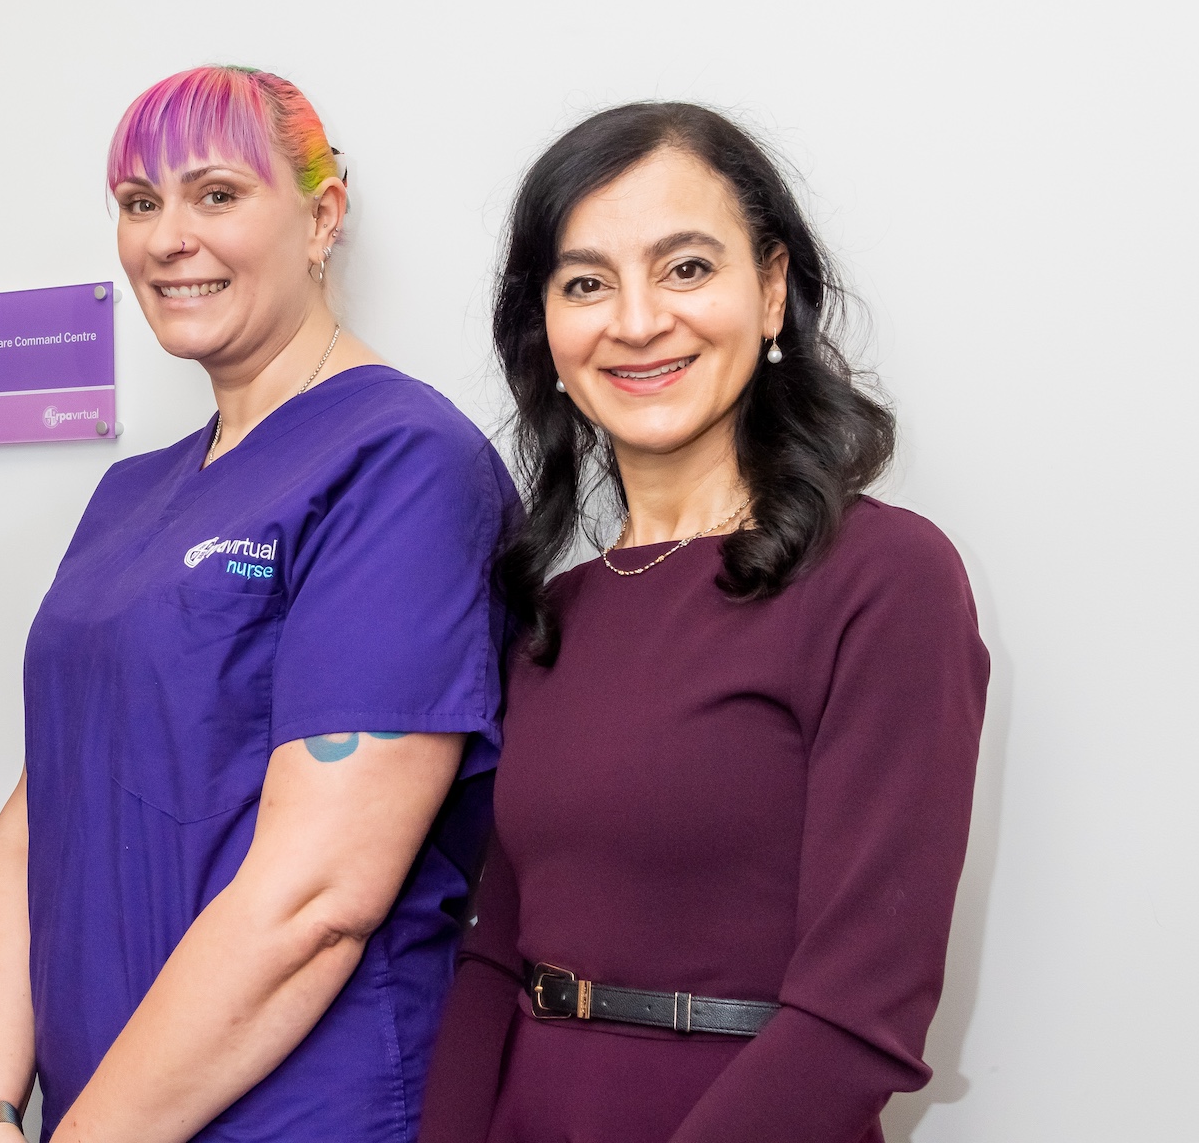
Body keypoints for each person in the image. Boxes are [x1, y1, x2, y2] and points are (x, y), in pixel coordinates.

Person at [0, 66, 517, 1143]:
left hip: (299, 1112)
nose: (167, 238)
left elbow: (317, 898)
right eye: (139, 202)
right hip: (87, 1110)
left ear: (321, 217)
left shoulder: (401, 465)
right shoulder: (131, 493)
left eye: (216, 194)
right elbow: (34, 819)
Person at [418, 103, 990, 1142]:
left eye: (686, 267)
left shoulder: (886, 578)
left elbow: (860, 1015)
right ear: (546, 327)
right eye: (586, 281)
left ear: (771, 289)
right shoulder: (553, 613)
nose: (637, 320)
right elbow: (493, 951)